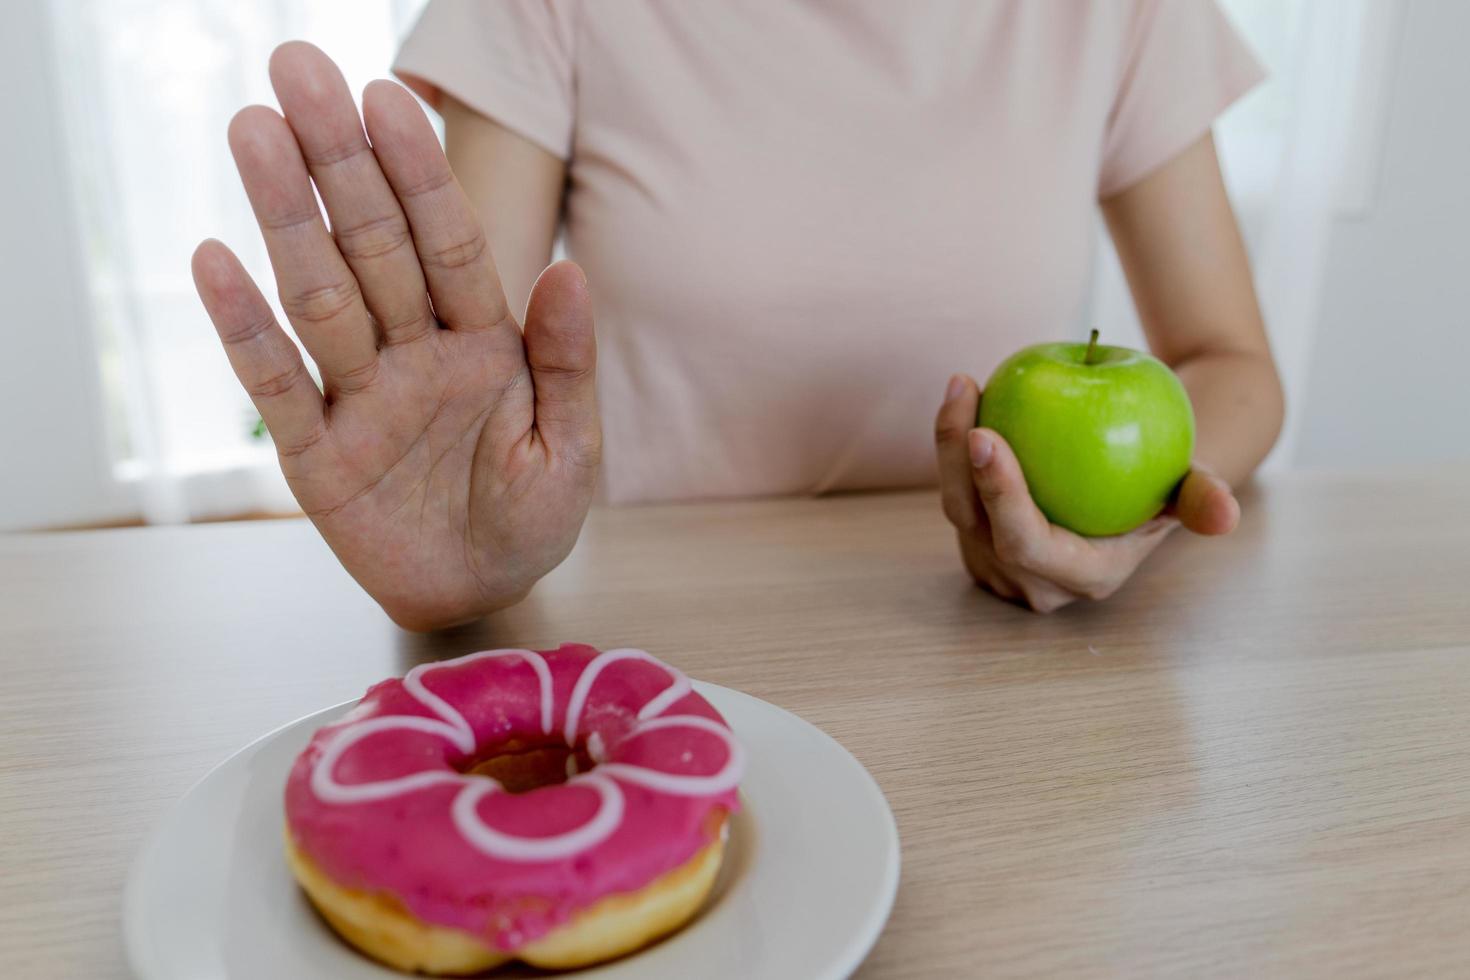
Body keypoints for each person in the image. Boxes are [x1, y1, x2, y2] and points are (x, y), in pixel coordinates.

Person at [191, 1, 1283, 629]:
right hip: (656, 657)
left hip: (1003, 669)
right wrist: (462, 548)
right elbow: (458, 382)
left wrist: (1133, 518)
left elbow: (1229, 362)